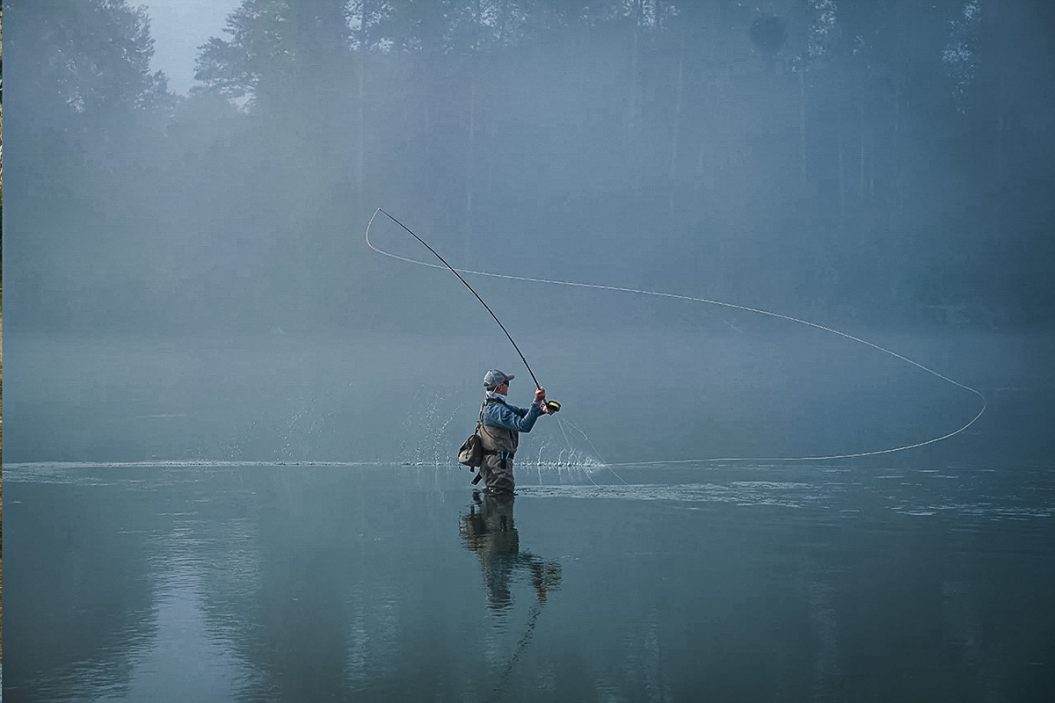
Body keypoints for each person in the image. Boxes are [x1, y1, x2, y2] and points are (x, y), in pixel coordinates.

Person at [476, 369, 550, 495]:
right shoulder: (496, 410)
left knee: (496, 504)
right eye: (507, 384)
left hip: (495, 464)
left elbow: (521, 413)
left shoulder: (490, 405)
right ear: (499, 388)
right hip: (498, 467)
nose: (508, 388)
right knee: (502, 499)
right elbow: (523, 425)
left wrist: (543, 409)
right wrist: (537, 401)